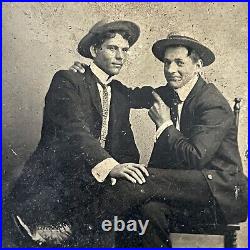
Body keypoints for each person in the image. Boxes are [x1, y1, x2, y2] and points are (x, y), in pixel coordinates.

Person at [71, 33, 248, 247]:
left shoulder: (212, 103)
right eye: (167, 62)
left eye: (179, 62)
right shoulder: (168, 93)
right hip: (182, 190)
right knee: (147, 212)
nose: (171, 70)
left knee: (131, 182)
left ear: (198, 65)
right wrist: (89, 74)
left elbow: (196, 157)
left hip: (219, 194)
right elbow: (125, 94)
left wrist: (165, 125)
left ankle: (73, 227)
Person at [5, 19, 150, 247]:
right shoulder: (68, 80)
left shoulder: (119, 92)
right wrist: (111, 167)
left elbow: (150, 101)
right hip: (54, 188)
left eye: (124, 50)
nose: (120, 56)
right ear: (94, 50)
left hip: (94, 189)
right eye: (112, 48)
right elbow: (73, 132)